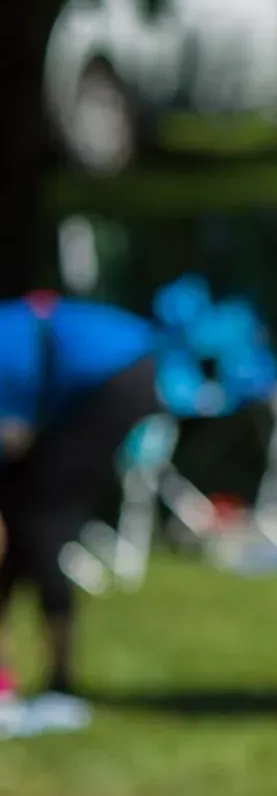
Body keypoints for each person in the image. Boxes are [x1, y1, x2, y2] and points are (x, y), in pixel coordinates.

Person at [0, 291, 159, 731]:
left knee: (38, 524)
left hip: (116, 377)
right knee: (22, 517)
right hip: (117, 365)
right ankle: (19, 681)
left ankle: (60, 685)